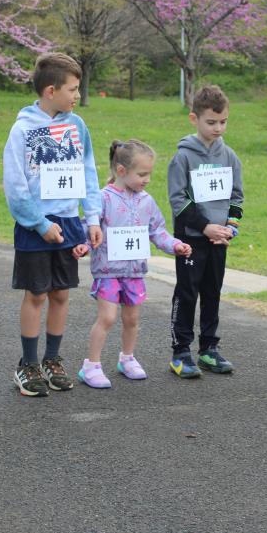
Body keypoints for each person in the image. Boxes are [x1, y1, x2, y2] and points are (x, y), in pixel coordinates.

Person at [2, 52, 102, 397]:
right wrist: (39, 223)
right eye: (72, 89)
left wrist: (92, 217)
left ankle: (52, 360)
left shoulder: (77, 126)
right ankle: (28, 364)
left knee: (60, 293)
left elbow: (88, 172)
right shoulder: (22, 130)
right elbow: (15, 185)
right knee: (37, 294)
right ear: (50, 91)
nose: (77, 95)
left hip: (69, 222)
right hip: (35, 226)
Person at [78, 140, 192, 388]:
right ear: (121, 171)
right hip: (108, 271)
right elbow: (89, 226)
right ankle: (91, 366)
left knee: (132, 319)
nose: (147, 180)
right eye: (141, 174)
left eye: (149, 174)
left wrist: (175, 245)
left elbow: (157, 231)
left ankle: (127, 358)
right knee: (107, 318)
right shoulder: (103, 198)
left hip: (135, 273)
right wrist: (83, 245)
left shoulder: (147, 201)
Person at [167, 85, 244, 378]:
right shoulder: (183, 158)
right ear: (194, 119)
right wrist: (205, 227)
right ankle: (181, 351)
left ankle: (209, 348)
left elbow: (236, 198)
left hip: (218, 241)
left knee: (213, 292)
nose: (218, 128)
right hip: (191, 239)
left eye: (223, 122)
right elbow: (178, 200)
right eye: (211, 122)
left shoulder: (230, 157)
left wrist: (230, 228)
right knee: (187, 293)